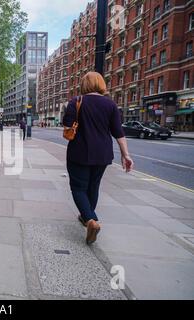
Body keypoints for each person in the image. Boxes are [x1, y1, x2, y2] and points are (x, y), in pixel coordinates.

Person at [63, 72, 134, 245]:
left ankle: (91, 220)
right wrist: (126, 155)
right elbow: (118, 132)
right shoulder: (110, 104)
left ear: (84, 85)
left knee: (78, 188)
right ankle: (86, 217)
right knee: (93, 187)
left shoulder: (76, 102)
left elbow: (66, 125)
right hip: (102, 154)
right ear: (101, 84)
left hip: (79, 152)